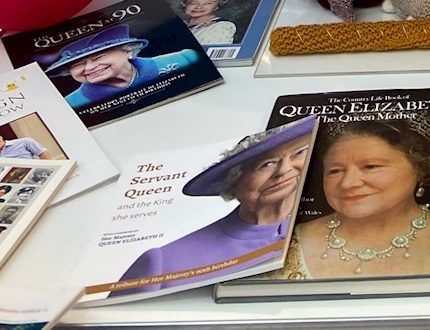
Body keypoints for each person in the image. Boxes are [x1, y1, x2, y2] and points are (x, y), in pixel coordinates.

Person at [110, 118, 315, 296]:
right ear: (233, 183)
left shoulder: (335, 220)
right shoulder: (160, 263)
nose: (284, 169)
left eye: (299, 153)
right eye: (266, 164)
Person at [272, 116, 430, 280]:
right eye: (335, 171)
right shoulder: (284, 241)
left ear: (419, 168)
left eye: (371, 166)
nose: (348, 183)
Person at [45, 23, 201, 107]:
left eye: (99, 57)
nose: (90, 67)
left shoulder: (186, 58)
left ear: (129, 51)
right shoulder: (69, 105)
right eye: (77, 65)